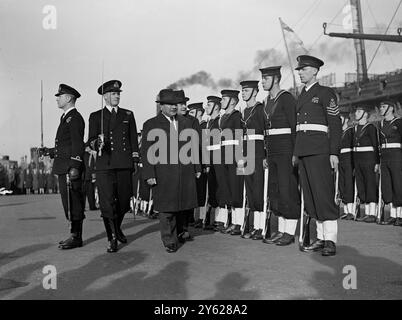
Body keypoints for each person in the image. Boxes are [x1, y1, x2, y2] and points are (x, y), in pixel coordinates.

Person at [141, 89, 201, 253]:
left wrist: (197, 167)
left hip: (184, 171)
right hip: (163, 173)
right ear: (161, 106)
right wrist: (149, 174)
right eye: (170, 104)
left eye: (176, 104)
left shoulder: (186, 123)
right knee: (167, 208)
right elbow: (146, 152)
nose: (174, 107)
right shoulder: (151, 124)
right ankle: (169, 240)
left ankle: (180, 232)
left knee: (181, 204)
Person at [294, 55, 342, 256]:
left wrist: (333, 152)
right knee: (312, 196)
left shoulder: (325, 93)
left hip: (320, 150)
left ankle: (330, 239)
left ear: (314, 70)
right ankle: (321, 238)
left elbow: (335, 124)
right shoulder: (301, 95)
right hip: (304, 151)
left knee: (323, 193)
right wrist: (296, 153)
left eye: (303, 69)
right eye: (299, 69)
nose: (300, 72)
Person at [88, 80, 139, 253]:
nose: (117, 96)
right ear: (105, 96)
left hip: (124, 164)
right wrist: (97, 143)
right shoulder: (96, 116)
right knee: (107, 203)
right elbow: (90, 141)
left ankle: (117, 228)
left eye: (118, 93)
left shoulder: (128, 114)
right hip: (105, 165)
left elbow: (133, 140)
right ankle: (112, 238)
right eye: (114, 93)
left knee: (124, 201)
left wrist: (134, 161)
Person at [39, 84, 85, 250]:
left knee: (73, 203)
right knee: (68, 203)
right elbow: (65, 145)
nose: (57, 98)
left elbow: (77, 144)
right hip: (63, 166)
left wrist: (74, 166)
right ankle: (73, 234)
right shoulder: (67, 117)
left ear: (69, 98)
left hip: (69, 168)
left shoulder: (75, 118)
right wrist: (50, 151)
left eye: (60, 96)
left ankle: (76, 237)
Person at [260, 66, 300, 246]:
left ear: (276, 79)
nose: (262, 82)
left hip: (286, 150)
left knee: (287, 189)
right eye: (262, 79)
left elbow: (294, 127)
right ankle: (282, 230)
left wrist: (295, 153)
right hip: (273, 151)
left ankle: (290, 232)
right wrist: (266, 154)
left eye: (265, 79)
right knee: (275, 191)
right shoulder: (266, 101)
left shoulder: (286, 98)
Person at [239, 80, 267, 240]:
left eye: (246, 90)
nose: (243, 93)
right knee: (248, 190)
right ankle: (250, 225)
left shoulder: (260, 109)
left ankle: (260, 226)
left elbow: (267, 132)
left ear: (255, 92)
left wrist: (265, 154)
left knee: (258, 190)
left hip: (257, 151)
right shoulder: (244, 111)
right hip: (245, 152)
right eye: (242, 90)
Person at [214, 89, 244, 235]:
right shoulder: (222, 117)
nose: (221, 102)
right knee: (226, 188)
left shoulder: (237, 116)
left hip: (234, 154)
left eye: (224, 99)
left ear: (232, 101)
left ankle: (238, 223)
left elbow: (239, 137)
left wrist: (240, 160)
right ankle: (230, 221)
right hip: (223, 154)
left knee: (236, 188)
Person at [353, 106, 380, 223]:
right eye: (356, 111)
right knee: (361, 185)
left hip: (369, 159)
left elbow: (376, 145)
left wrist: (377, 162)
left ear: (365, 114)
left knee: (370, 184)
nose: (355, 113)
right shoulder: (354, 128)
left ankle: (372, 213)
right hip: (358, 160)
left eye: (358, 111)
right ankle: (366, 212)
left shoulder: (371, 128)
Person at [378, 100, 402, 226]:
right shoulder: (380, 123)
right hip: (385, 157)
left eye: (384, 107)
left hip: (396, 156)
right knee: (388, 186)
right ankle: (393, 215)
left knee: (398, 185)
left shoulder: (399, 122)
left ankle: (400, 215)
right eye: (381, 107)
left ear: (391, 108)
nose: (381, 109)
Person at [187, 102, 208, 229]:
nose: (189, 115)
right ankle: (192, 216)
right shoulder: (192, 126)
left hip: (201, 163)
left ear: (199, 112)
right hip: (193, 162)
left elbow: (205, 147)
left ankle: (201, 217)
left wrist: (205, 164)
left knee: (201, 192)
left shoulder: (204, 126)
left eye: (192, 112)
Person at [204, 96, 222, 230]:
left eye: (209, 105)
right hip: (210, 159)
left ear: (216, 107)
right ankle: (211, 219)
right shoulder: (208, 122)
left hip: (219, 158)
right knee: (212, 189)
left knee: (219, 188)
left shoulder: (220, 121)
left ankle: (219, 220)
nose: (206, 107)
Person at [339, 113, 356, 220]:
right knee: (342, 184)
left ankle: (351, 211)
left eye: (340, 118)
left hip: (349, 158)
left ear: (345, 119)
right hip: (341, 159)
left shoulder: (351, 131)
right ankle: (345, 210)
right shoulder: (338, 132)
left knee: (349, 184)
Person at [83, 145, 97, 211]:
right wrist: (93, 175)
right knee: (90, 193)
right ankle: (92, 206)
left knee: (82, 193)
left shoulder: (81, 155)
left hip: (82, 176)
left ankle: (82, 208)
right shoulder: (89, 155)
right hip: (88, 176)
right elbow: (91, 165)